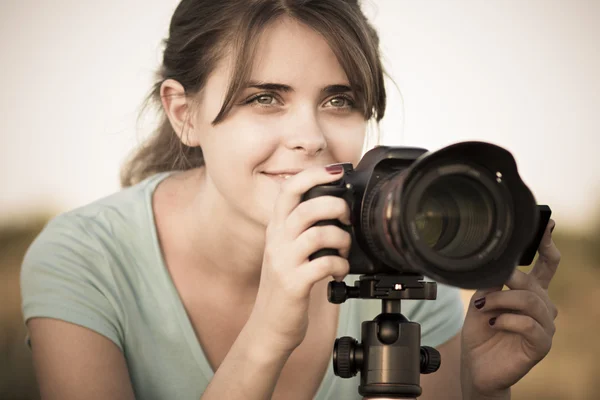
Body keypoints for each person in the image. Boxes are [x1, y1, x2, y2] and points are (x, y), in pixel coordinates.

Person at [20, 1, 561, 399]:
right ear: (183, 113)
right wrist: (269, 332)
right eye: (264, 98)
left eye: (339, 99)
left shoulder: (407, 251)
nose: (310, 136)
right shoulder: (85, 258)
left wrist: (481, 389)